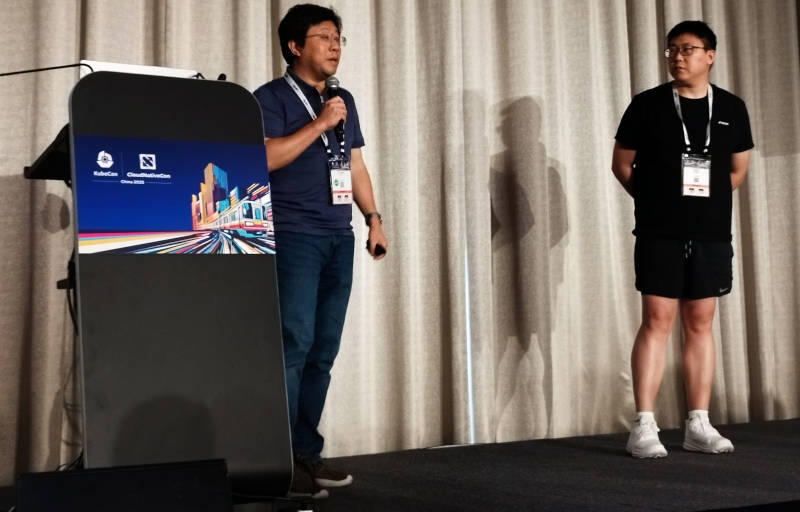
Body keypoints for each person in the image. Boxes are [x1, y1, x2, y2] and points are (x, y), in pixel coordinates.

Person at [253, 3, 387, 496]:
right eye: (324, 37)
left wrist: (373, 219)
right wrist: (319, 124)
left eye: (338, 38)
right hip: (292, 235)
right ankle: (281, 459)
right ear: (295, 46)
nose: (335, 46)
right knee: (293, 344)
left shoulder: (342, 98)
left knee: (323, 350)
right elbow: (265, 157)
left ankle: (306, 451)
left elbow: (354, 164)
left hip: (338, 236)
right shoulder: (269, 98)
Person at [611, 20, 753, 459]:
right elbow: (622, 165)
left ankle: (698, 423)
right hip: (660, 232)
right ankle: (644, 425)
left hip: (710, 233)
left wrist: (703, 206)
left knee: (700, 324)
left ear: (710, 55)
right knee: (657, 320)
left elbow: (737, 171)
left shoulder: (731, 107)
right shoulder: (647, 105)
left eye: (687, 49)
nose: (677, 56)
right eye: (671, 49)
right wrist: (657, 202)